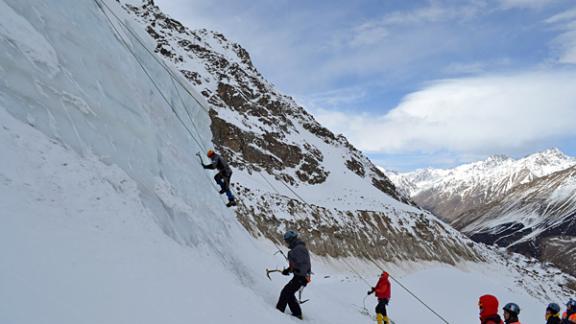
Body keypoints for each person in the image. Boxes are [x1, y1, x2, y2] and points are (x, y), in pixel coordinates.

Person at [276, 230, 311, 320]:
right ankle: (297, 314)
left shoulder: (299, 249)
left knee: (285, 292)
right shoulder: (297, 249)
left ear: (291, 239)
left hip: (301, 277)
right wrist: (288, 270)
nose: (286, 243)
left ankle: (278, 313)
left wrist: (295, 270)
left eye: (287, 240)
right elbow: (296, 265)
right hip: (300, 276)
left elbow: (303, 264)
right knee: (289, 293)